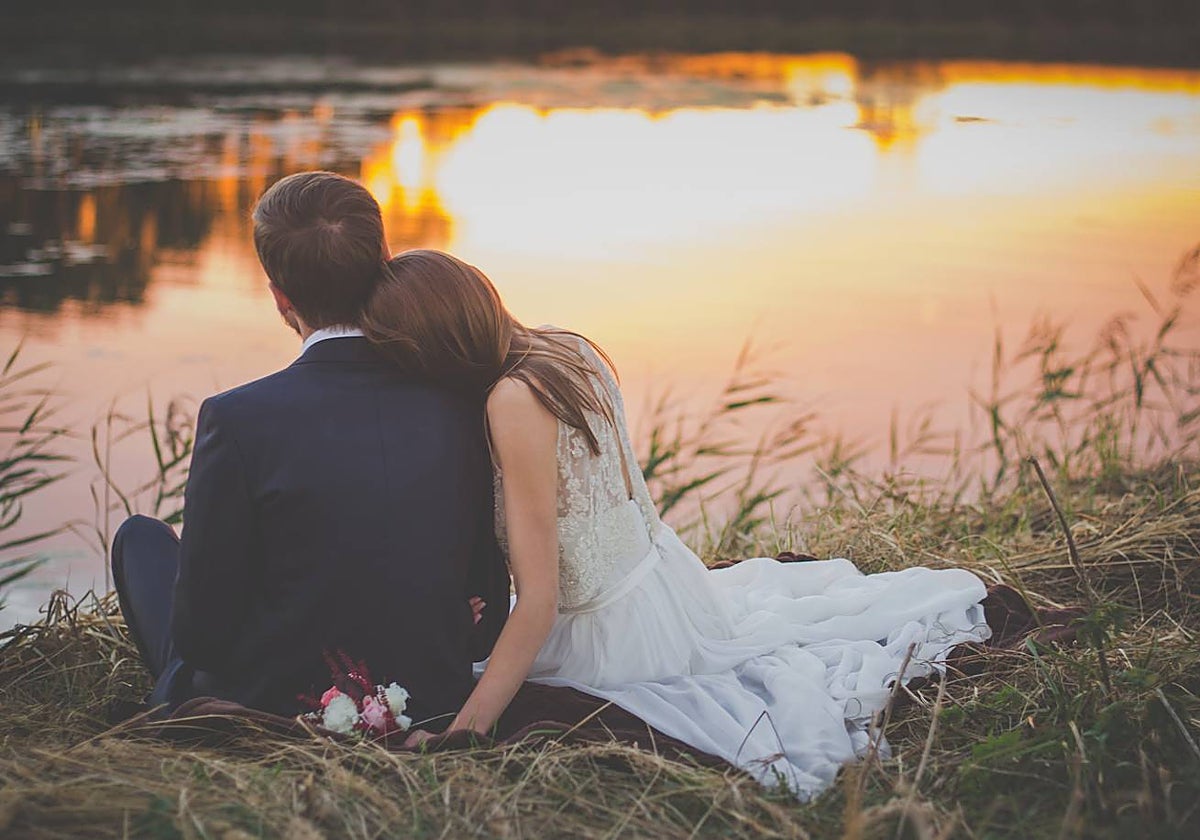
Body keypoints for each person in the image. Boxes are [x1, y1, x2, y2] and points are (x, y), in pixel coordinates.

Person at [361, 249, 992, 799]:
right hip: (665, 582)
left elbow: (543, 598)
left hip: (610, 634)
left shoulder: (511, 400)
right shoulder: (563, 346)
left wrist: (465, 734)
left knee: (469, 690)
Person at [111, 172, 511, 724]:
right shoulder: (462, 403)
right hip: (428, 693)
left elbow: (202, 638)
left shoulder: (236, 418)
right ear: (383, 265)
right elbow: (487, 616)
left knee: (141, 540)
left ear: (280, 295)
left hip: (279, 697)